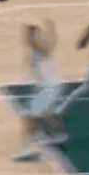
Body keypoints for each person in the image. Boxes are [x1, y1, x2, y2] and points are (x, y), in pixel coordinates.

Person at [13, 18, 67, 162]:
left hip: (50, 89)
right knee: (48, 114)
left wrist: (51, 30)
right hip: (51, 88)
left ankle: (31, 149)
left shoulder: (41, 49)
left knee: (28, 117)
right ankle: (59, 137)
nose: (27, 38)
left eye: (31, 35)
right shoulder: (35, 51)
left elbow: (49, 43)